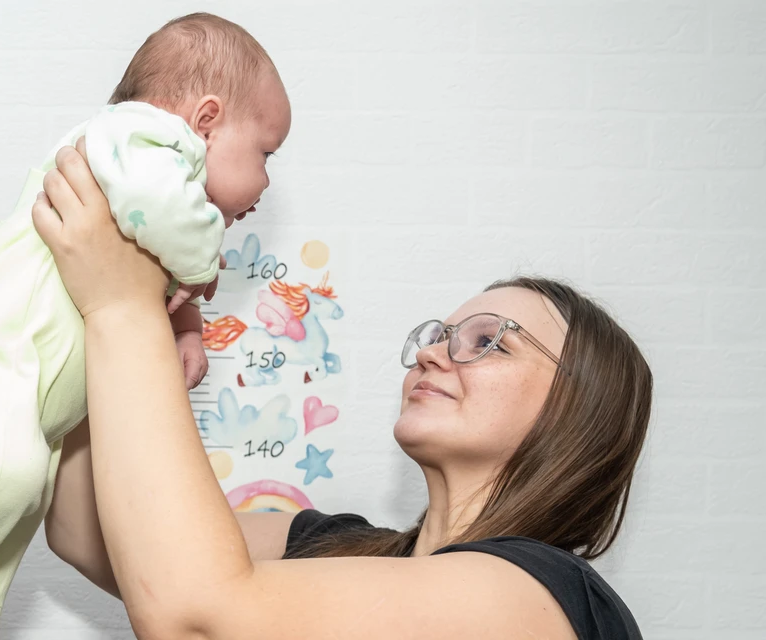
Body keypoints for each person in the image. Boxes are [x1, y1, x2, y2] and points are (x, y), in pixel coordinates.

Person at [32, 141, 653, 639]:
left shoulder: (537, 595)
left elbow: (199, 618)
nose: (432, 352)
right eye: (438, 335)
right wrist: (104, 306)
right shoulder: (336, 547)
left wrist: (122, 305)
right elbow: (86, 532)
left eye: (488, 340)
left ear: (578, 408)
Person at [0, 13, 291, 640]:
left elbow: (158, 267)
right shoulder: (134, 136)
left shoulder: (155, 199)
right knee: (9, 481)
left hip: (29, 396)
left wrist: (187, 326)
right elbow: (159, 212)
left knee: (17, 513)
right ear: (205, 121)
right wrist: (203, 262)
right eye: (266, 153)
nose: (267, 181)